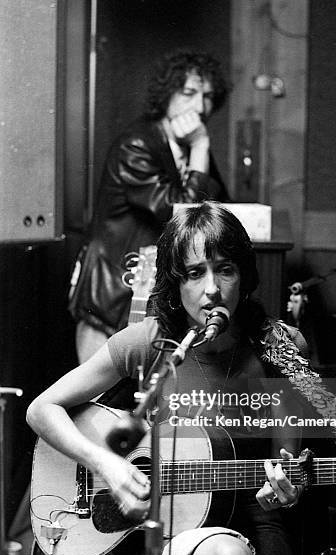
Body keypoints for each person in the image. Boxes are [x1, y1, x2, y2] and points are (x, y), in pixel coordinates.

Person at [28, 203, 336, 555]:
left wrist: (285, 490)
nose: (212, 288)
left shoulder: (278, 347)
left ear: (243, 276)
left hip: (256, 530)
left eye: (225, 269)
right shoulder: (148, 342)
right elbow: (41, 409)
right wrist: (108, 465)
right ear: (176, 283)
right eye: (195, 273)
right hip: (160, 537)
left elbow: (287, 466)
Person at [68, 49, 231, 363]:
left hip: (153, 291)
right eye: (188, 93)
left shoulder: (193, 149)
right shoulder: (138, 144)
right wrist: (200, 145)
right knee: (102, 399)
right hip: (112, 293)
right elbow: (184, 213)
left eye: (208, 97)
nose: (200, 107)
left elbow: (221, 211)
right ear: (166, 95)